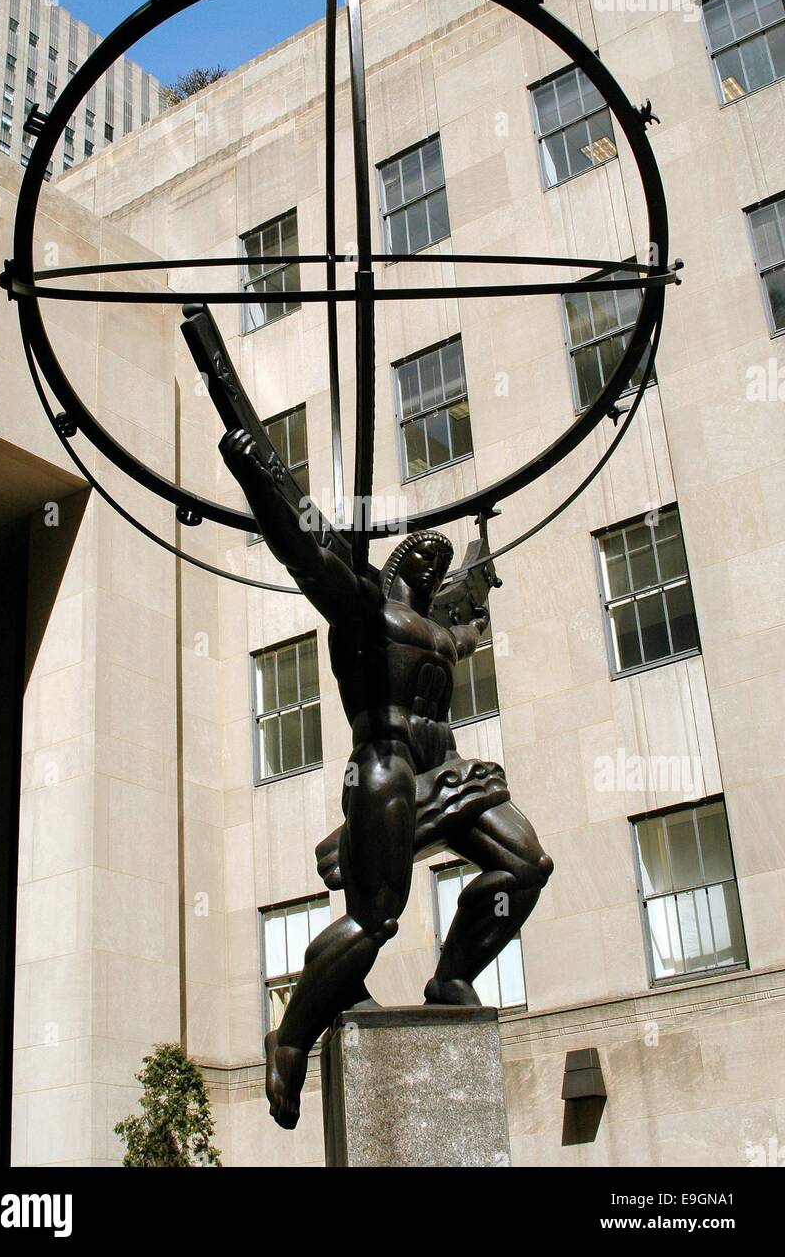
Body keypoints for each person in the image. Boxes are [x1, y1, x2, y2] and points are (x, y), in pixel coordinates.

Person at [220, 428, 553, 1130]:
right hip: (386, 765)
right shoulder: (363, 613)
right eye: (419, 555)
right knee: (377, 917)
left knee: (527, 864)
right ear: (391, 562)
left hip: (451, 772)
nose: (430, 561)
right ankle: (293, 1036)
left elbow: (471, 621)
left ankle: (453, 973)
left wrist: (480, 564)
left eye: (438, 562)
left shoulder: (437, 630)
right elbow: (304, 556)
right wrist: (256, 479)